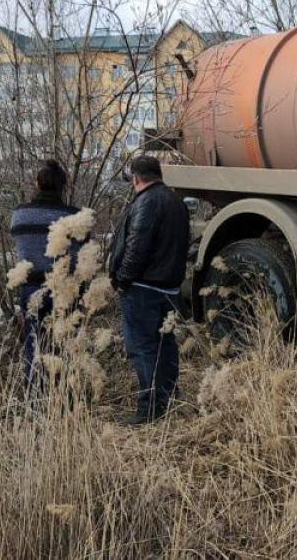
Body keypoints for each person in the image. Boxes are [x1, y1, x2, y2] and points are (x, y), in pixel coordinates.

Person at [108, 155, 191, 424]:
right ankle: (167, 397)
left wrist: (122, 279)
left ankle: (149, 409)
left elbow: (137, 245)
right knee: (166, 345)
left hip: (143, 287)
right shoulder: (175, 201)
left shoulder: (147, 201)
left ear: (135, 178)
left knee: (142, 347)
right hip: (169, 287)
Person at [10, 159, 79, 385]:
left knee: (33, 344)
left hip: (30, 288)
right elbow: (79, 256)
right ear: (63, 186)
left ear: (37, 183)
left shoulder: (20, 214)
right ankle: (61, 395)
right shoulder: (73, 217)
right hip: (64, 289)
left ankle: (34, 396)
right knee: (63, 345)